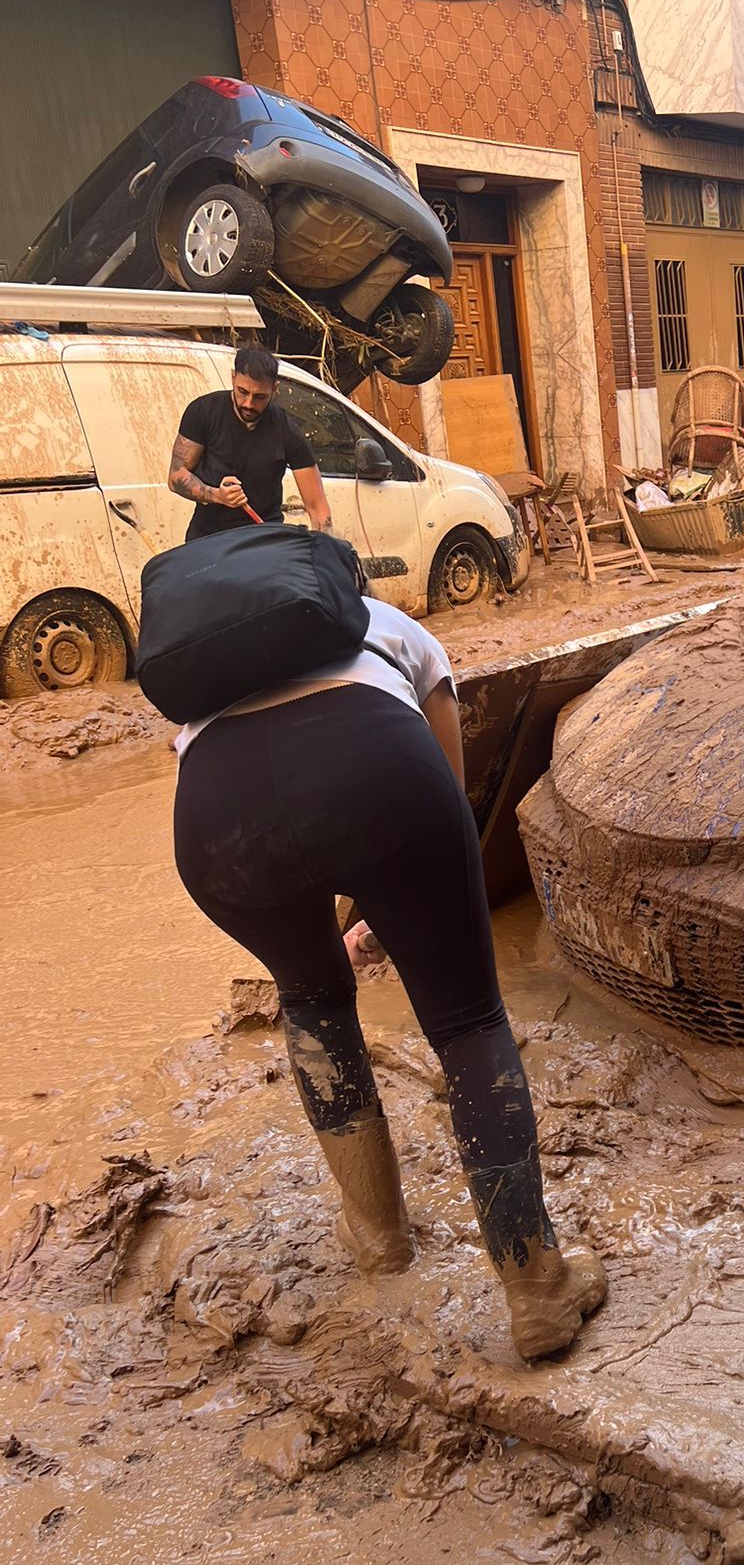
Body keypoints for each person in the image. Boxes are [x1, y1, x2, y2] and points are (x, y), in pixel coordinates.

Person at [170, 561, 606, 1362]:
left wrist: (354, 912)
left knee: (312, 998)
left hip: (213, 818)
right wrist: (393, 913)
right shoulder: (387, 625)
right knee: (468, 1020)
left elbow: (270, 813)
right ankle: (537, 1287)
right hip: (378, 768)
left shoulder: (207, 677)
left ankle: (377, 1238)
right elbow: (444, 789)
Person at [168, 344, 332, 539]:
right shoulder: (203, 412)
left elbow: (318, 507)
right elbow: (175, 477)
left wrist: (325, 553)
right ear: (232, 378)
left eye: (260, 397)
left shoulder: (285, 430)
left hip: (263, 539)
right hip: (208, 538)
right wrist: (215, 495)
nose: (248, 404)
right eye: (242, 391)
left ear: (274, 389)